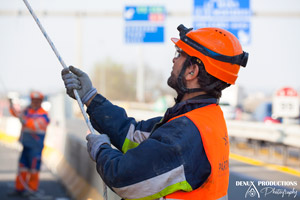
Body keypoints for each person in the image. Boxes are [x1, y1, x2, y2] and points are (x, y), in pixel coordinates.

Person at [62, 24, 248, 200]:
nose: (174, 59)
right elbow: (133, 133)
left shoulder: (184, 133)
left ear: (192, 71)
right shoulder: (204, 118)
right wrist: (91, 98)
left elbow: (124, 178)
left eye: (180, 54)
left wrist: (101, 150)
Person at [9, 91, 50, 196]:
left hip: (36, 147)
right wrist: (11, 104)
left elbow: (36, 125)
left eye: (37, 101)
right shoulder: (27, 111)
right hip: (26, 144)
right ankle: (19, 189)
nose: (35, 102)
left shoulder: (44, 114)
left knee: (33, 169)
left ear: (41, 101)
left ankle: (32, 190)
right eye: (33, 100)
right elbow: (17, 114)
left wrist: (25, 122)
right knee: (22, 166)